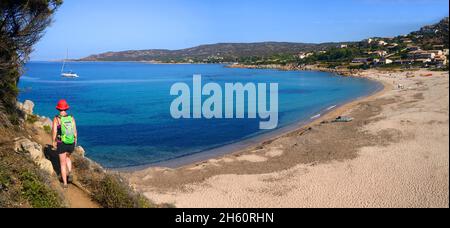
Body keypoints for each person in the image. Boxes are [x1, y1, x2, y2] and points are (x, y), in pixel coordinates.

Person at [52, 99, 77, 189]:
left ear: (58, 108)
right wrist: (75, 141)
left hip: (62, 143)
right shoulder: (71, 117)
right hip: (71, 143)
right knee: (68, 157)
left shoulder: (57, 119)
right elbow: (75, 132)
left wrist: (53, 142)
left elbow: (54, 132)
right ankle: (69, 172)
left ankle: (65, 184)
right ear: (66, 108)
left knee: (62, 164)